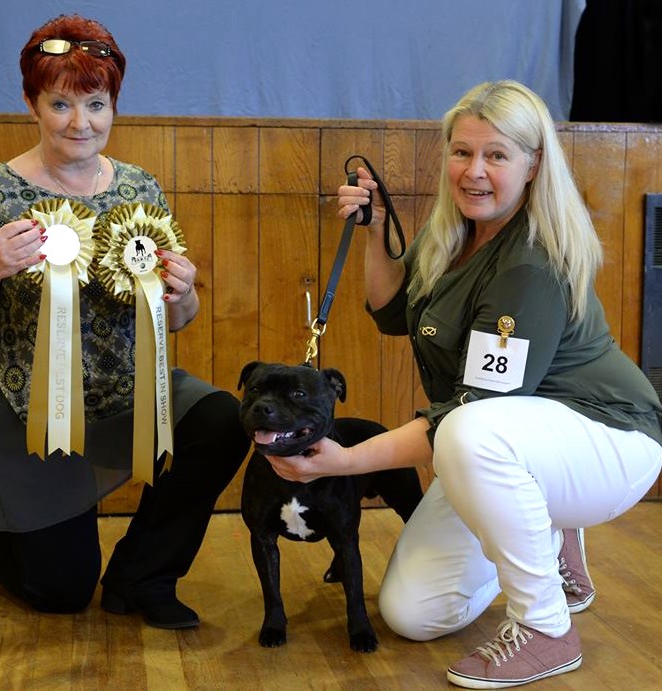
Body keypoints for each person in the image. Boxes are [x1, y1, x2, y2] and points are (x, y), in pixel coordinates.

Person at [265, 80, 662, 688]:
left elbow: (471, 411)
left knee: (470, 431)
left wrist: (343, 461)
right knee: (412, 613)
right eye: (462, 152)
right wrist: (374, 228)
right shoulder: (455, 230)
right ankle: (542, 522)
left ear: (533, 165)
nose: (474, 171)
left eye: (496, 155)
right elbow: (391, 311)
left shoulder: (530, 263)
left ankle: (546, 627)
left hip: (604, 439)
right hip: (503, 439)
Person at [0, 14, 249, 629]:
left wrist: (183, 291)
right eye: (61, 104)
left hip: (128, 393)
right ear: (31, 104)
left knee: (220, 419)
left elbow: (177, 318)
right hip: (30, 407)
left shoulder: (140, 188)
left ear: (113, 106)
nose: (81, 123)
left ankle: (143, 577)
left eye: (96, 104)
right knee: (61, 592)